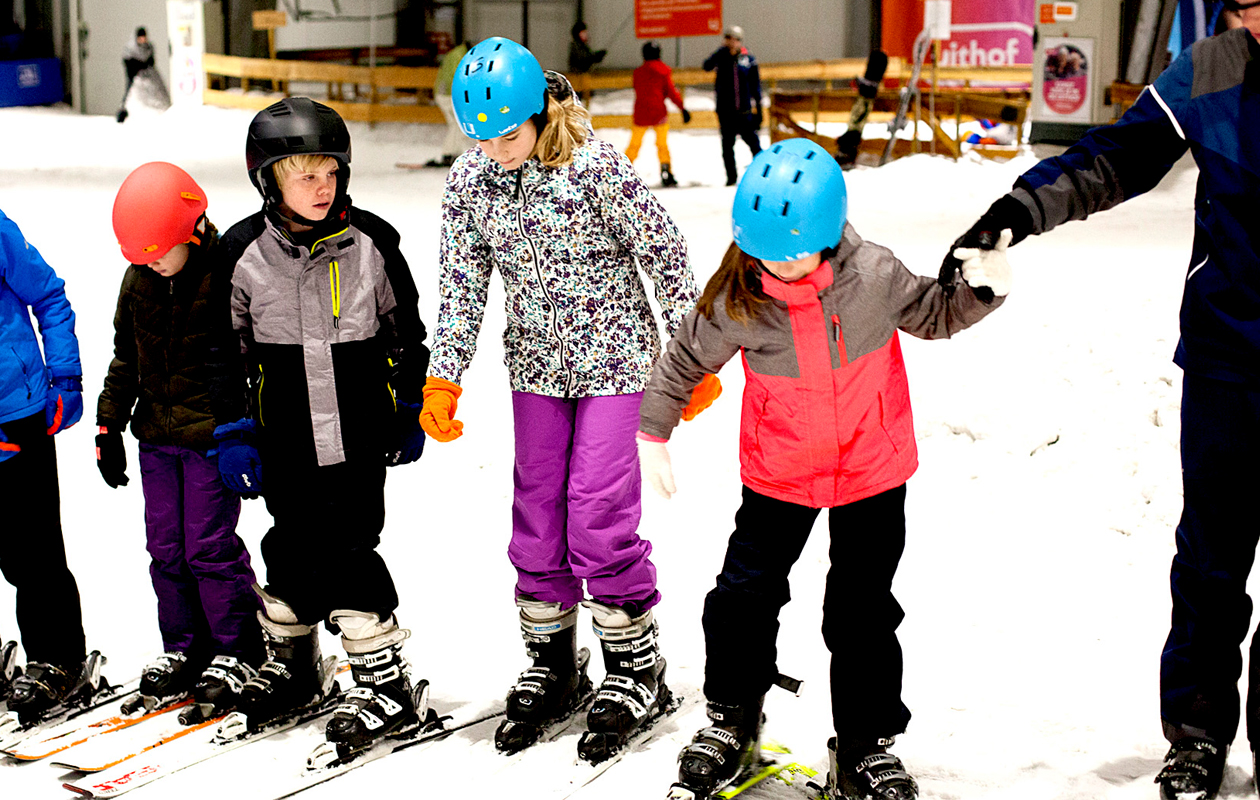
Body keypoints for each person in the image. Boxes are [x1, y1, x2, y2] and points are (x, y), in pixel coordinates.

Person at [941, 16, 1260, 800]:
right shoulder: (1213, 67)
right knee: (1212, 558)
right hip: (1228, 352)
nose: (1249, 19)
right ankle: (1197, 735)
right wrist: (1017, 211)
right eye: (1240, 5)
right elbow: (1117, 155)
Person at [638, 138, 1008, 800]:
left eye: (794, 251)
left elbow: (935, 312)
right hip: (780, 472)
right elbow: (685, 359)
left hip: (871, 470)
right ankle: (732, 721)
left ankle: (864, 745)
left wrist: (982, 288)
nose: (779, 266)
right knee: (742, 597)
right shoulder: (740, 296)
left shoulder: (876, 275)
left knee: (862, 611)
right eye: (766, 252)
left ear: (831, 233)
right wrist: (652, 433)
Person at [426, 37, 707, 763]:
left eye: (507, 136)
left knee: (597, 510)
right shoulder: (471, 182)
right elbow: (461, 285)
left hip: (619, 363)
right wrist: (444, 376)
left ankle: (636, 666)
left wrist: (691, 356)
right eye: (480, 139)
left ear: (540, 113)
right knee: (538, 509)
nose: (494, 152)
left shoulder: (596, 167)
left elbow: (665, 252)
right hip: (536, 370)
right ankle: (552, 662)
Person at [218, 97, 430, 758]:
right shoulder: (242, 253)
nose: (322, 186)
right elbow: (224, 353)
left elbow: (408, 336)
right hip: (283, 437)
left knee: (349, 547)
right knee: (289, 545)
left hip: (360, 435)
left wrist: (408, 407)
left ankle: (384, 683)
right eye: (304, 174)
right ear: (268, 181)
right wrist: (235, 431)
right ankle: (295, 666)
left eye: (331, 171)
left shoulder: (373, 243)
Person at [97, 162, 262, 718]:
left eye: (159, 252)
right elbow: (126, 358)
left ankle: (239, 649)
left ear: (191, 229)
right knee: (165, 549)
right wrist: (108, 425)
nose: (152, 263)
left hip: (210, 439)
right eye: (141, 256)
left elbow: (246, 360)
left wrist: (246, 430)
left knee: (208, 549)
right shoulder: (139, 281)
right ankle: (185, 648)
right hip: (156, 440)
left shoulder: (224, 275)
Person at [0, 208, 107, 717]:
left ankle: (57, 659)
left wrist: (65, 376)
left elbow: (48, 296)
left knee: (33, 551)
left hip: (17, 414)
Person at [626, 40, 692, 188]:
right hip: (658, 113)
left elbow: (638, 89)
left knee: (634, 144)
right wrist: (682, 108)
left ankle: (622, 168)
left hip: (641, 113)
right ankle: (666, 170)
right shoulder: (663, 71)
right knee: (662, 144)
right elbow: (671, 92)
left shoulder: (638, 73)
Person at [703, 25, 763, 186]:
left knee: (754, 143)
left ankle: (762, 174)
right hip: (726, 111)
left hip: (744, 111)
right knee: (727, 146)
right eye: (728, 38)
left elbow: (755, 84)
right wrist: (719, 53)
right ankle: (731, 177)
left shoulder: (748, 59)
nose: (731, 42)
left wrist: (758, 108)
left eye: (734, 39)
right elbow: (706, 66)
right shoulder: (721, 56)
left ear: (740, 41)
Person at [425, 41, 474, 168]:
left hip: (445, 93)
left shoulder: (457, 53)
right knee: (458, 123)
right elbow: (458, 76)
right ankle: (450, 154)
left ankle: (452, 153)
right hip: (448, 94)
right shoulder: (459, 56)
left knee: (456, 124)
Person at [117, 26, 154, 123]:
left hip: (146, 75)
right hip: (133, 75)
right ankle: (123, 113)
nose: (142, 39)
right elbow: (127, 61)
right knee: (130, 94)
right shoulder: (130, 48)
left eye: (144, 37)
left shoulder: (148, 47)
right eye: (140, 37)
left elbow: (151, 62)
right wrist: (138, 66)